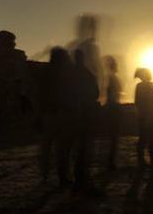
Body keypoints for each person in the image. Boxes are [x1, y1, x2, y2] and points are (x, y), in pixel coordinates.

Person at [37, 47, 76, 187]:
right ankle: (63, 177)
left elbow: (40, 95)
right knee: (62, 148)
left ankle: (45, 176)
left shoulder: (45, 73)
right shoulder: (66, 74)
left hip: (49, 114)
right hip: (62, 114)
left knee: (46, 148)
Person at [72, 49, 100, 193]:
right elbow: (96, 93)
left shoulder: (68, 75)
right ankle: (82, 180)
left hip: (71, 115)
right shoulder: (88, 74)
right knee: (84, 149)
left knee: (74, 149)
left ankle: (74, 179)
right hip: (84, 115)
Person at [134, 68, 153, 168]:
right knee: (151, 139)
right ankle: (152, 160)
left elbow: (137, 103)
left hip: (144, 117)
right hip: (150, 117)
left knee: (144, 138)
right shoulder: (151, 87)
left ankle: (142, 160)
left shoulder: (139, 87)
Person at [104, 56, 122, 170]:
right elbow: (111, 93)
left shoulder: (111, 77)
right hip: (113, 107)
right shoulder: (111, 77)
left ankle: (111, 161)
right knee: (113, 136)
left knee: (113, 137)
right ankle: (110, 162)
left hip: (112, 106)